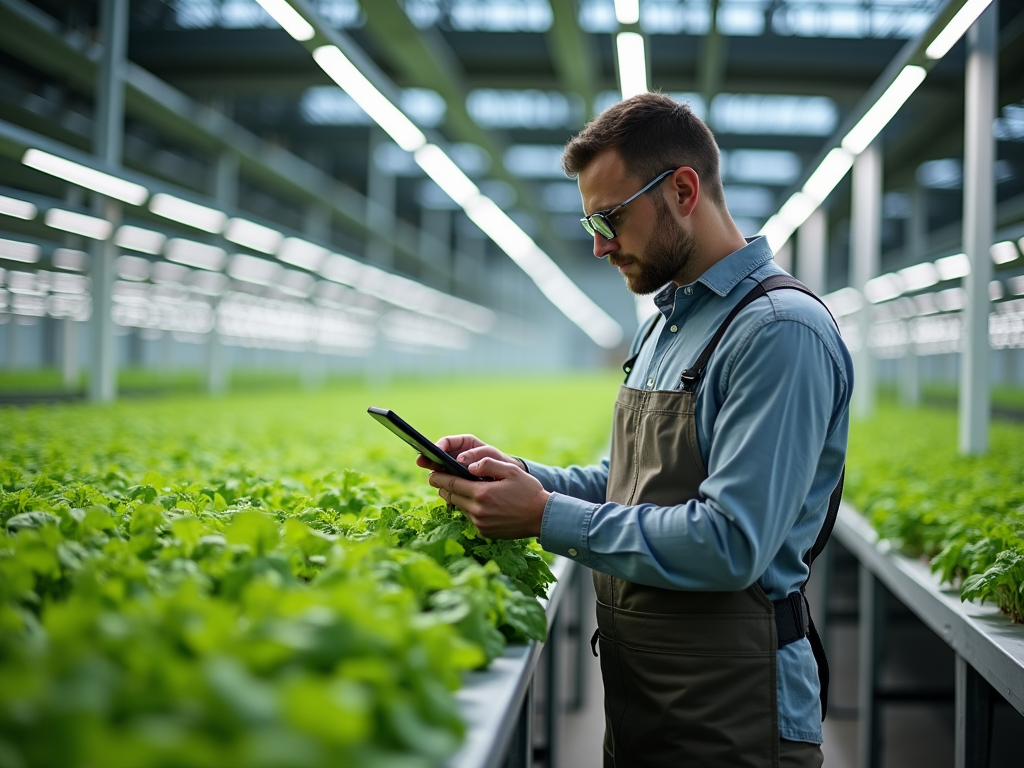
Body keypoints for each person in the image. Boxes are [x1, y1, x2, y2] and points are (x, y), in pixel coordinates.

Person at [417, 92, 853, 768]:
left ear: (682, 190)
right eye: (592, 220)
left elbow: (730, 542)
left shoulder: (778, 332)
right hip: (646, 697)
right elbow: (633, 482)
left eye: (610, 217)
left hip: (733, 715)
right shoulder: (667, 323)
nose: (598, 243)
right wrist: (526, 479)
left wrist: (545, 518)